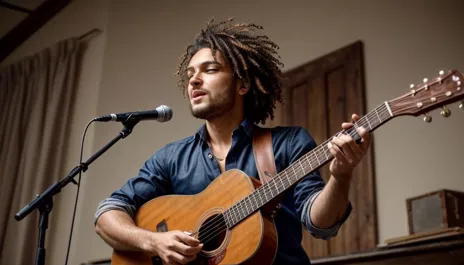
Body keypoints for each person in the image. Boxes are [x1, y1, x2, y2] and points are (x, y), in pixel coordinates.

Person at [94, 18, 371, 265]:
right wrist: (154, 242)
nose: (194, 81)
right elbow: (108, 214)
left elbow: (319, 223)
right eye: (190, 74)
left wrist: (341, 176)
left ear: (242, 85)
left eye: (210, 70)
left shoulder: (288, 143)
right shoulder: (171, 159)